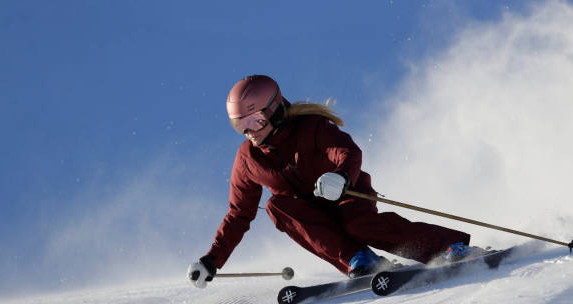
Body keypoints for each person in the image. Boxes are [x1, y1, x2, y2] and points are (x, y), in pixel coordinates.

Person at [187, 75, 479, 288]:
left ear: (274, 111)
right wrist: (212, 261)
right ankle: (361, 260)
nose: (248, 131)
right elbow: (239, 214)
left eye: (255, 121)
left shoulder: (310, 127)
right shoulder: (248, 160)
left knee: (358, 225)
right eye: (239, 124)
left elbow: (349, 152)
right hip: (310, 214)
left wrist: (341, 177)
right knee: (277, 206)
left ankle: (448, 246)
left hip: (346, 193)